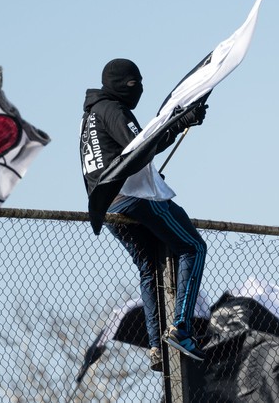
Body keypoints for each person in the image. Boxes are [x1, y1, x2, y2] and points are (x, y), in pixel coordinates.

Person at [79, 58, 208, 370]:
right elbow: (143, 146)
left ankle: (155, 346)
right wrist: (181, 122)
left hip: (108, 206)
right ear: (123, 85)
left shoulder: (91, 115)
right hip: (132, 197)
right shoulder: (113, 110)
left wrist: (180, 123)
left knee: (149, 267)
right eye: (135, 83)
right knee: (193, 247)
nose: (140, 89)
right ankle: (181, 328)